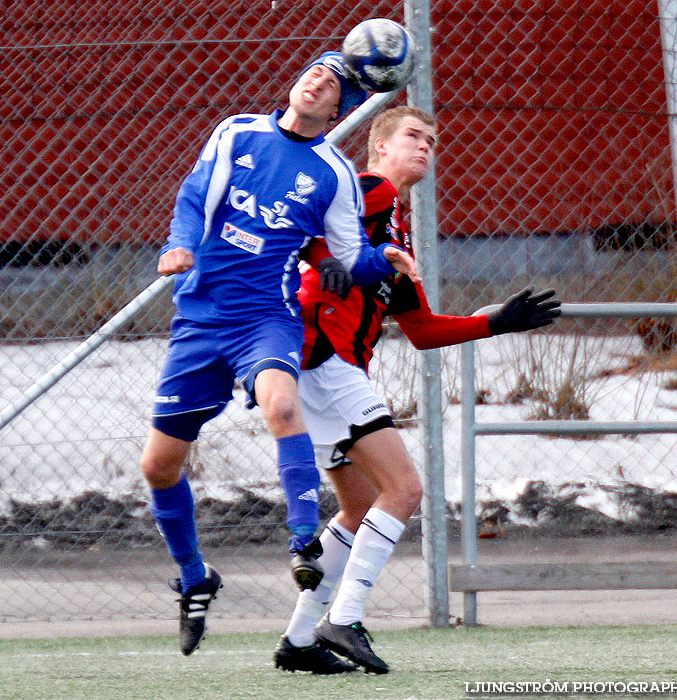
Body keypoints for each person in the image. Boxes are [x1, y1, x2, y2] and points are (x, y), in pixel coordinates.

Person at [140, 54, 422, 658]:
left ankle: (301, 542)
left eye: (332, 84)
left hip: (267, 319)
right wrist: (180, 245)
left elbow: (344, 256)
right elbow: (195, 195)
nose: (317, 81)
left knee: (282, 406)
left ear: (340, 110)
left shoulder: (332, 174)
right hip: (199, 319)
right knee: (158, 468)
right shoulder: (237, 130)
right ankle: (194, 578)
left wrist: (384, 261)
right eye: (314, 72)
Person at [274, 106, 561, 674]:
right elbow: (299, 223)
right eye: (413, 136)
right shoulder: (367, 191)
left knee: (359, 508)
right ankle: (345, 617)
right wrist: (324, 261)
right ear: (379, 145)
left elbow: (423, 330)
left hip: (322, 368)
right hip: (323, 357)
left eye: (432, 140)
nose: (426, 146)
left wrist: (495, 321)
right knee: (404, 490)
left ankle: (301, 641)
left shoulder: (396, 230)